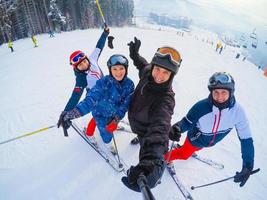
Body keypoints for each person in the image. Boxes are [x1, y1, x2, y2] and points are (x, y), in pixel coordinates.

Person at [165, 72, 255, 187]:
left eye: (224, 92)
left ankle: (186, 149)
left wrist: (248, 165)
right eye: (216, 92)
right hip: (195, 139)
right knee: (184, 154)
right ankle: (166, 158)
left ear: (231, 92)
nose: (219, 97)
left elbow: (246, 139)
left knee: (194, 149)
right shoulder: (201, 107)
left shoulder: (238, 112)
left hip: (208, 142)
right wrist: (177, 128)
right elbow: (187, 122)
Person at [122, 37, 182, 191]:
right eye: (157, 69)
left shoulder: (166, 99)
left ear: (172, 75)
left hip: (147, 132)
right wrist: (134, 54)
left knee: (148, 142)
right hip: (136, 122)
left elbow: (160, 125)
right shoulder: (148, 72)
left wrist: (152, 160)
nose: (159, 76)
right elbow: (142, 64)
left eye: (166, 72)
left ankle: (160, 159)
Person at [57, 54, 135, 154]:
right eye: (114, 69)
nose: (118, 72)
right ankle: (109, 145)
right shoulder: (103, 82)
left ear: (126, 69)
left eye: (121, 68)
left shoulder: (130, 84)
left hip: (114, 113)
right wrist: (72, 113)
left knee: (111, 127)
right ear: (110, 70)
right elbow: (90, 100)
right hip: (100, 114)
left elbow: (125, 105)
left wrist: (116, 119)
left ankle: (113, 127)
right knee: (106, 134)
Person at [57, 27, 109, 142]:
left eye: (84, 61)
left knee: (110, 109)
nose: (84, 65)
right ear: (77, 68)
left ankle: (108, 123)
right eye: (80, 65)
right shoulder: (81, 79)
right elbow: (75, 95)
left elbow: (99, 46)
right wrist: (66, 111)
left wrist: (105, 33)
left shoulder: (93, 58)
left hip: (105, 90)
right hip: (94, 97)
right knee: (97, 115)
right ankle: (89, 133)